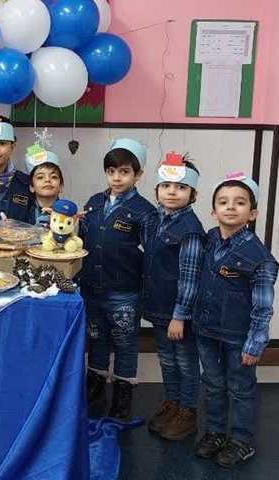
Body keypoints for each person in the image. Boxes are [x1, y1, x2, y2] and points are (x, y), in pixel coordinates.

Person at [191, 173, 277, 467]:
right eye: (223, 202)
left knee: (240, 388)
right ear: (213, 210)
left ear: (252, 213)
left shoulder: (260, 258)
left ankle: (242, 439)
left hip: (237, 336)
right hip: (206, 330)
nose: (230, 207)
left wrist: (255, 342)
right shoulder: (210, 239)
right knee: (213, 383)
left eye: (239, 203)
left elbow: (263, 306)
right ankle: (215, 432)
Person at [80, 138, 156, 420]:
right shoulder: (94, 202)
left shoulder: (145, 211)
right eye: (111, 171)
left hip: (124, 291)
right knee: (96, 338)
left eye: (124, 172)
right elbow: (81, 239)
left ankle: (123, 395)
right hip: (91, 286)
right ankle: (96, 387)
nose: (116, 178)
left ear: (138, 174)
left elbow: (152, 254)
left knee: (125, 343)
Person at [140, 153, 204, 440]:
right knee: (166, 359)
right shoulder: (155, 219)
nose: (172, 192)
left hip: (179, 313)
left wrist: (180, 315)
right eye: (166, 186)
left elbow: (190, 278)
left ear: (193, 195)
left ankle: (187, 411)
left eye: (180, 187)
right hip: (158, 307)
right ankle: (172, 403)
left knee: (185, 362)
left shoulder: (190, 230)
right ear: (157, 190)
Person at [24, 143, 64, 226]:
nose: (47, 180)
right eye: (40, 177)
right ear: (31, 187)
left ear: (61, 186)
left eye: (53, 177)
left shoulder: (68, 213)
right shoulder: (21, 213)